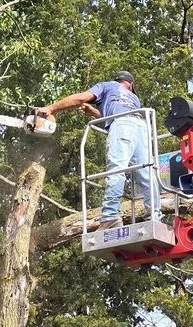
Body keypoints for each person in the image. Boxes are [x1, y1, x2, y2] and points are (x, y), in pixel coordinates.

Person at [39, 71, 156, 230]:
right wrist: (94, 113)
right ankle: (155, 216)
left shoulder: (107, 86)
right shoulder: (133, 98)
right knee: (147, 174)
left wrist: (51, 108)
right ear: (131, 85)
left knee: (117, 170)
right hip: (143, 128)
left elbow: (81, 98)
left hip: (122, 125)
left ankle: (110, 217)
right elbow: (117, 113)